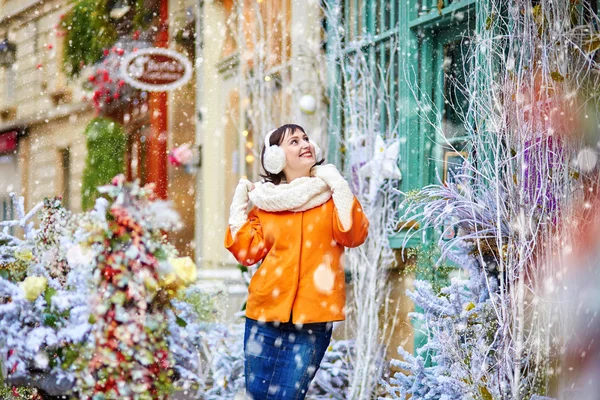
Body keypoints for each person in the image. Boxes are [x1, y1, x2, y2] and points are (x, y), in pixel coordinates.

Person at [224, 123, 369, 399]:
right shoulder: (267, 203)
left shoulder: (330, 199)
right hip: (264, 315)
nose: (304, 143)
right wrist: (239, 207)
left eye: (305, 138)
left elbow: (354, 234)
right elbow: (246, 251)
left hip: (314, 319)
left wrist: (338, 184)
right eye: (294, 141)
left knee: (288, 396)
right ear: (276, 158)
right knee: (257, 394)